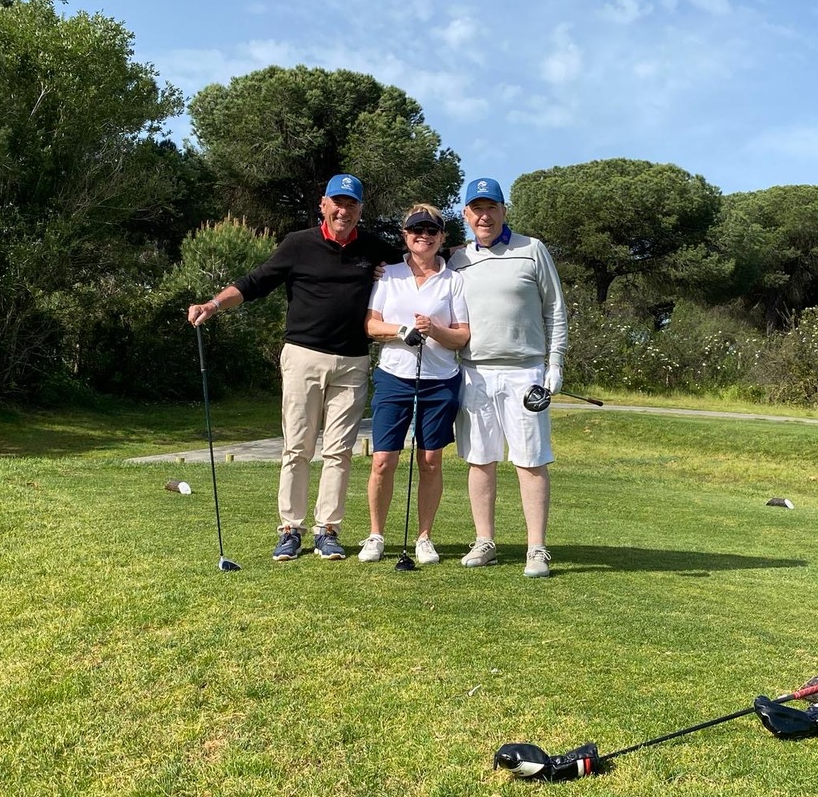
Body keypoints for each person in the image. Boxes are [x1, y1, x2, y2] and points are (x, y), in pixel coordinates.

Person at [187, 174, 400, 562]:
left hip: (353, 361)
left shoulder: (375, 249)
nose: (344, 210)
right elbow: (254, 282)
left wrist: (459, 254)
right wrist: (213, 305)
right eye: (337, 202)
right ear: (323, 204)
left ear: (360, 210)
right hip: (303, 356)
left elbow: (421, 262)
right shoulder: (298, 244)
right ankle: (290, 529)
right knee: (298, 447)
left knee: (339, 451)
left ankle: (327, 530)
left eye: (351, 204)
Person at [447, 177, 568, 578]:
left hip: (525, 371)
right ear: (466, 214)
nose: (484, 216)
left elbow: (555, 310)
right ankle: (485, 542)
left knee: (531, 460)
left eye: (491, 208)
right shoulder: (457, 259)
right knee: (480, 459)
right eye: (476, 209)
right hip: (475, 371)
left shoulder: (532, 250)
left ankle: (537, 548)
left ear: (503, 211)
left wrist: (555, 364)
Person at [358, 205, 470, 565]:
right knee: (383, 460)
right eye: (416, 230)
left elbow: (462, 336)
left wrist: (434, 330)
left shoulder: (453, 280)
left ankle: (424, 537)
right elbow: (371, 326)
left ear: (442, 237)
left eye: (431, 231)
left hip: (440, 381)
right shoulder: (388, 274)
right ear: (405, 235)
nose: (424, 236)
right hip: (394, 377)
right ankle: (376, 535)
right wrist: (401, 330)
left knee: (430, 460)